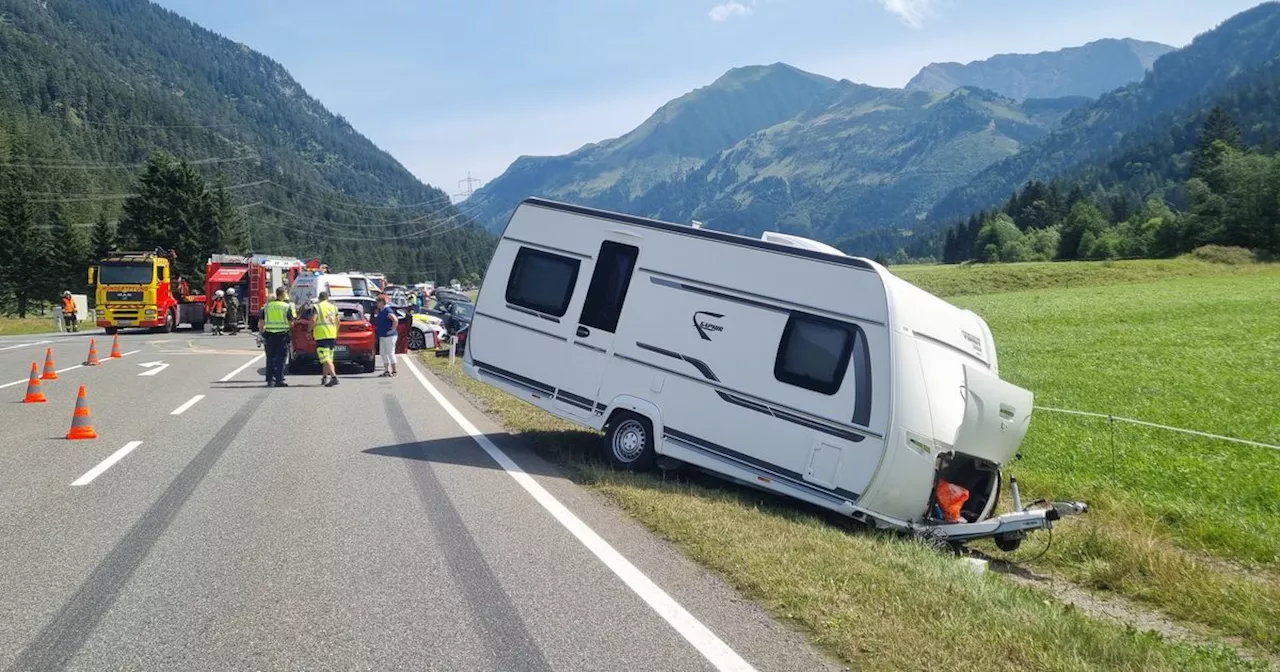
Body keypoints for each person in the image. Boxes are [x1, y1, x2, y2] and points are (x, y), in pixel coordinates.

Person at [261, 287, 296, 387]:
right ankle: (279, 380)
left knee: (270, 358)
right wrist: (291, 331)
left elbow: (262, 322)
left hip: (269, 334)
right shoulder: (285, 306)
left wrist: (261, 333)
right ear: (283, 294)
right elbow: (291, 322)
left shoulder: (267, 306)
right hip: (282, 335)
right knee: (280, 359)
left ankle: (269, 379)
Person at [313, 290, 341, 387]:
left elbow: (313, 319)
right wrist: (335, 331)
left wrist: (309, 330)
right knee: (328, 358)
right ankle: (325, 377)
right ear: (327, 298)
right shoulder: (333, 307)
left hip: (322, 335)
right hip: (332, 335)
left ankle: (334, 377)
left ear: (319, 298)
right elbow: (338, 322)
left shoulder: (317, 306)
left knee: (325, 358)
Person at [374, 293, 399, 377]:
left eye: (378, 302)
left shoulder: (387, 310)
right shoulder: (380, 311)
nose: (376, 303)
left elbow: (395, 320)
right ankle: (386, 371)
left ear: (382, 302)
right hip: (382, 335)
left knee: (390, 352)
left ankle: (394, 371)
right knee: (383, 352)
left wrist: (392, 329)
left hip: (389, 336)